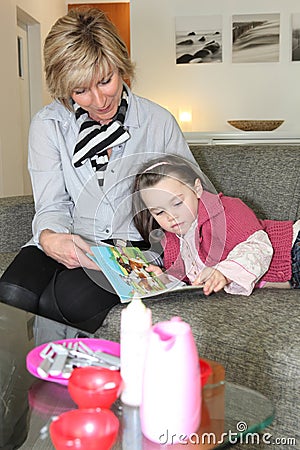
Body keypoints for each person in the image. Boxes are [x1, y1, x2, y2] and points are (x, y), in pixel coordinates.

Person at [0, 8, 198, 341]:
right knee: (12, 293)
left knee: (63, 301)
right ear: (64, 88)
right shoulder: (49, 125)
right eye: (81, 90)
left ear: (121, 66)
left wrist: (171, 253)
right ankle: (16, 390)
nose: (99, 100)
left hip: (127, 249)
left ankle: (58, 384)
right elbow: (50, 203)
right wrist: (51, 238)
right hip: (68, 237)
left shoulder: (158, 122)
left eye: (105, 81)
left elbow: (191, 198)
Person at [132, 155, 300, 296]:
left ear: (196, 189)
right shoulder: (171, 241)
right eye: (159, 212)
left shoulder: (226, 209)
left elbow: (257, 247)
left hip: (294, 248)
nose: (171, 216)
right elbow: (190, 280)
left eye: (177, 203)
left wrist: (224, 272)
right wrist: (163, 278)